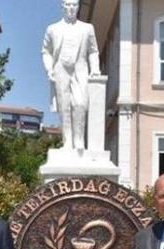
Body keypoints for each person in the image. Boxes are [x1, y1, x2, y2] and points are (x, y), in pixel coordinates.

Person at [42, 0, 100, 151]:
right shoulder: (53, 29)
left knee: (80, 103)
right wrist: (49, 69)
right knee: (64, 106)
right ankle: (67, 141)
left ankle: (79, 139)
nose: (71, 8)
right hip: (60, 69)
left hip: (80, 69)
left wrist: (95, 68)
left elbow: (93, 51)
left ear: (78, 7)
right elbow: (46, 51)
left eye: (74, 5)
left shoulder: (87, 28)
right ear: (62, 6)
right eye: (68, 5)